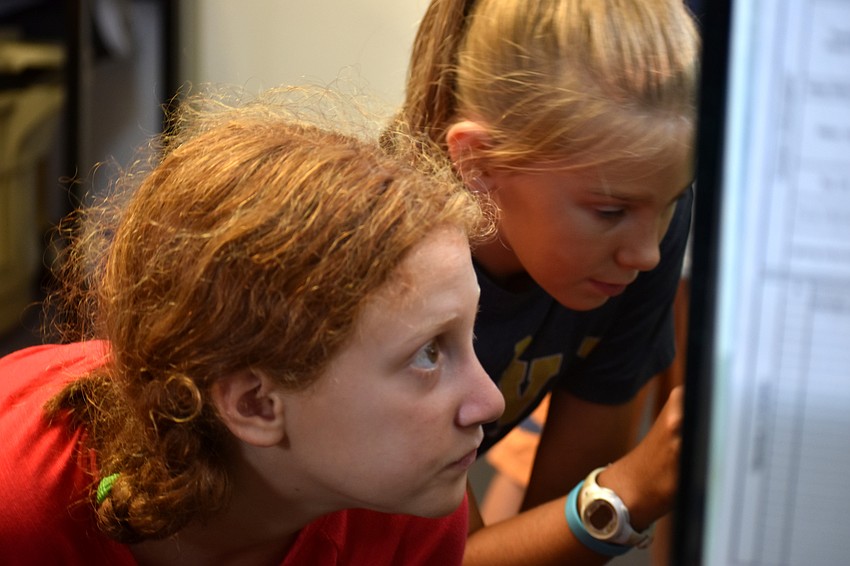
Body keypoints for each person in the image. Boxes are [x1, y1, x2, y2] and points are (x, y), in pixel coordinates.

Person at [0, 87, 506, 565]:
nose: (490, 401)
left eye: (469, 334)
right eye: (428, 354)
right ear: (255, 404)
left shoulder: (410, 503)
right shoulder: (21, 517)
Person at [389, 0, 700, 563]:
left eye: (670, 205)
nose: (649, 253)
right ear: (479, 163)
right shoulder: (386, 271)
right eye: (609, 212)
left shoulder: (641, 223)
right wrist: (631, 491)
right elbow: (450, 558)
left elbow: (557, 534)